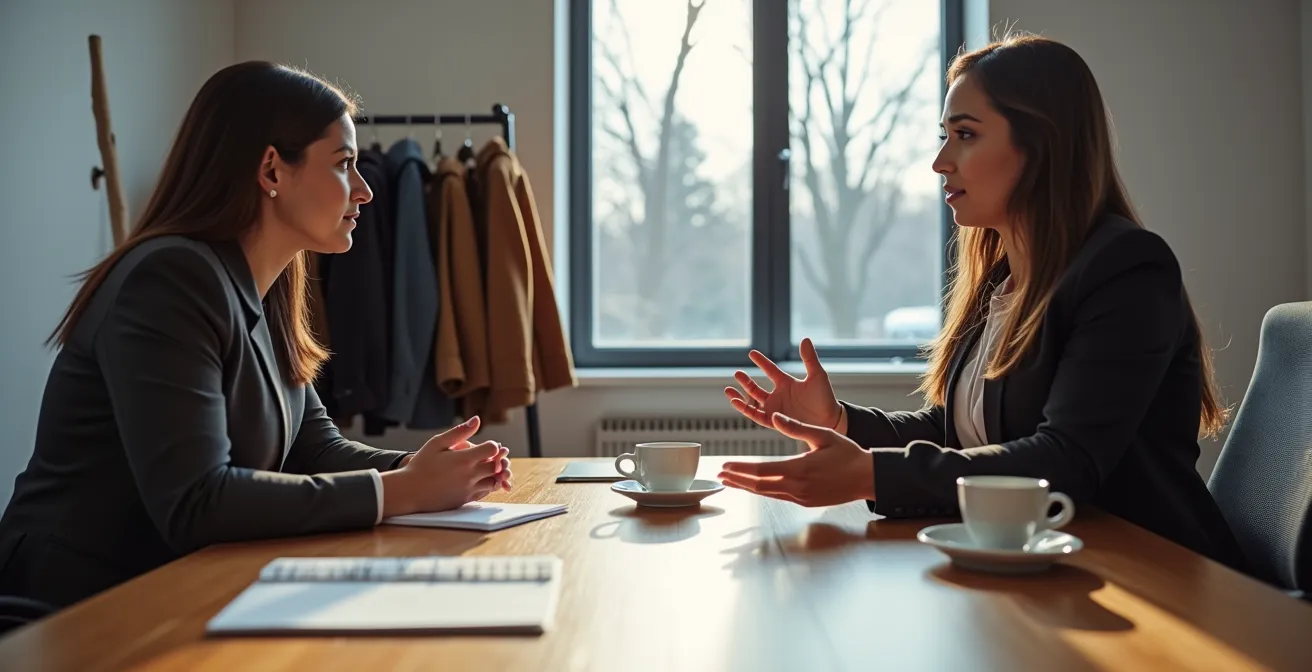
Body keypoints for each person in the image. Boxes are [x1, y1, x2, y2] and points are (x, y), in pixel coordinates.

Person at [719, 33, 1247, 570]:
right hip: (1046, 569)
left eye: (965, 135)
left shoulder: (1128, 268)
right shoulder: (1003, 280)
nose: (940, 162)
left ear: (1041, 143)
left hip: (1156, 579)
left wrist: (870, 473)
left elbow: (1064, 460)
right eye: (944, 136)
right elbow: (957, 432)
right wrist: (839, 422)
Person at [0, 62, 513, 609]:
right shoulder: (170, 278)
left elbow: (314, 447)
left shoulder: (265, 284)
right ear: (272, 170)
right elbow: (197, 501)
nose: (364, 191)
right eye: (344, 164)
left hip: (169, 590)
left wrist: (419, 468)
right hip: (70, 608)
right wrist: (404, 490)